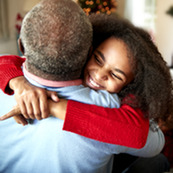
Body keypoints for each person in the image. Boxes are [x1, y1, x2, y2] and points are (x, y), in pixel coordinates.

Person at [0, 0, 167, 172]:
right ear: (89, 52)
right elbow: (154, 142)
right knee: (157, 161)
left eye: (116, 75)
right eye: (98, 59)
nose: (100, 74)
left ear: (21, 47)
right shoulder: (110, 106)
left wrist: (51, 105)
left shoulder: (8, 85)